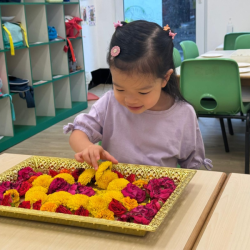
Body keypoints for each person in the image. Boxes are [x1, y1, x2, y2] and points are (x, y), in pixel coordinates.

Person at [64, 20, 212, 171]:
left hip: (161, 190)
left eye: (143, 92)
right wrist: (88, 148)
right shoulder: (110, 103)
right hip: (115, 188)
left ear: (165, 78)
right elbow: (78, 133)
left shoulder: (183, 114)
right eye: (120, 89)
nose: (130, 100)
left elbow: (193, 164)